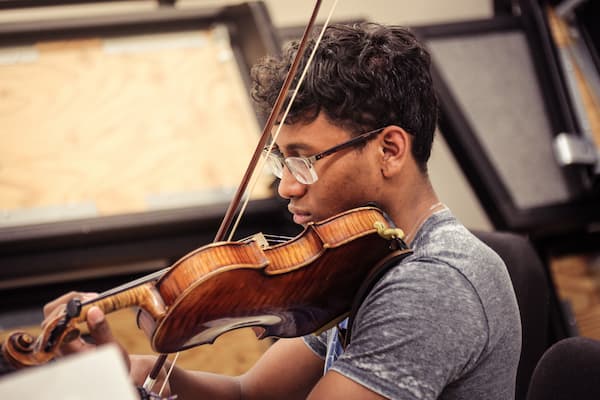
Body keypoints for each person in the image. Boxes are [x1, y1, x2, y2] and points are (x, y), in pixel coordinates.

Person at [44, 22, 522, 399]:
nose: (287, 186)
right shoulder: (364, 261)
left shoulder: (433, 283)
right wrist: (122, 373)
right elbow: (250, 393)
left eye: (305, 160)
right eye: (280, 159)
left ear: (390, 150)